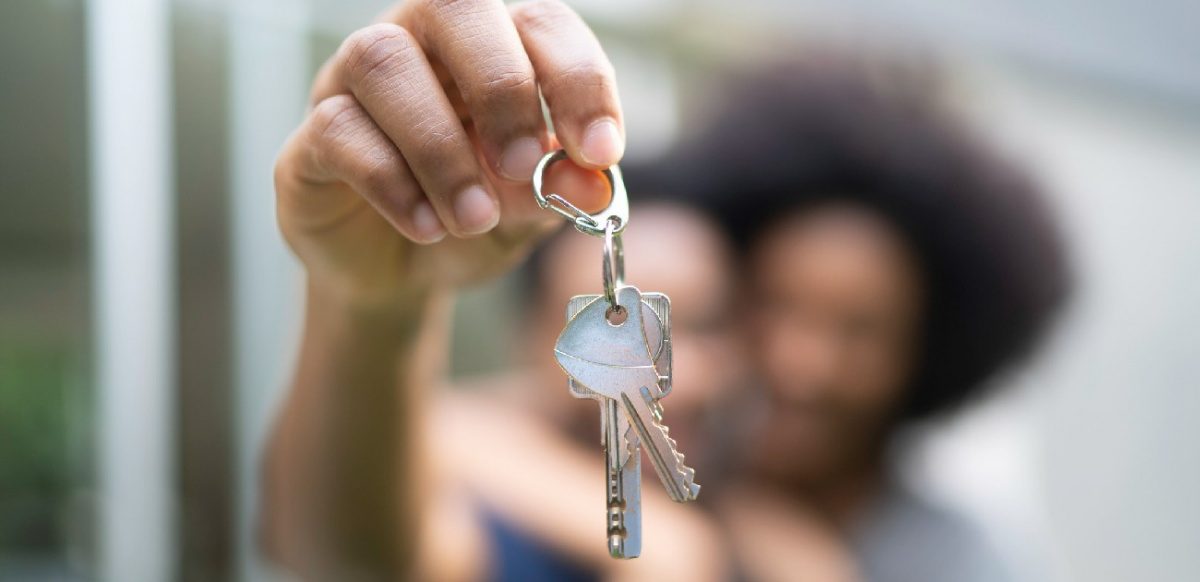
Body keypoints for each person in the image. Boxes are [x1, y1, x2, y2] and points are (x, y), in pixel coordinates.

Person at [263, 0, 1069, 579]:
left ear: (927, 350)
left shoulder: (948, 553)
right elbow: (356, 546)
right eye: (775, 308)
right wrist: (376, 309)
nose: (800, 361)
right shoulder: (538, 497)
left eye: (860, 332)